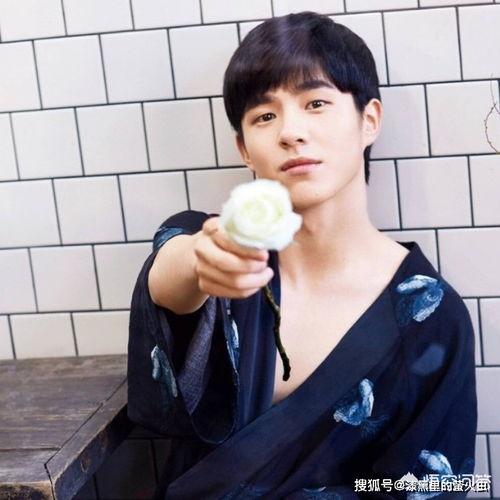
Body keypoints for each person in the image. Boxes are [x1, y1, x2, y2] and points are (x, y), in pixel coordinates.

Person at [127, 11, 478, 499]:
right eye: (264, 116)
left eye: (315, 103)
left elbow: (436, 484)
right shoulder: (219, 248)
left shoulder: (431, 316)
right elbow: (173, 274)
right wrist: (199, 262)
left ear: (369, 120)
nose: (290, 132)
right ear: (244, 148)